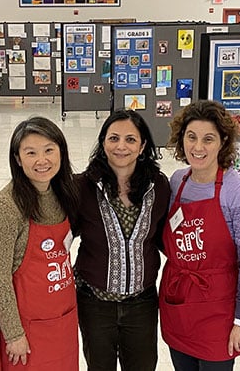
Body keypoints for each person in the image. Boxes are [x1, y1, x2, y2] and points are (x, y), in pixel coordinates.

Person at [160, 100, 240, 370]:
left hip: (218, 311)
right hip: (179, 303)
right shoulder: (177, 182)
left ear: (223, 142)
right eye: (191, 137)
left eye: (208, 139)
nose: (198, 147)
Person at [72, 110, 170, 370]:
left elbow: (163, 237)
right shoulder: (82, 187)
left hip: (141, 304)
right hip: (94, 303)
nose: (121, 146)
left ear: (143, 146)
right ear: (103, 143)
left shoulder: (157, 186)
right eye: (113, 138)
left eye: (130, 139)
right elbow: (62, 235)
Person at [0, 116, 80, 369]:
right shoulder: (7, 207)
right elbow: (0, 277)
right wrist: (14, 334)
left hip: (63, 321)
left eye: (49, 150)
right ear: (17, 159)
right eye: (31, 153)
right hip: (27, 330)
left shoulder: (63, 193)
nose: (42, 160)